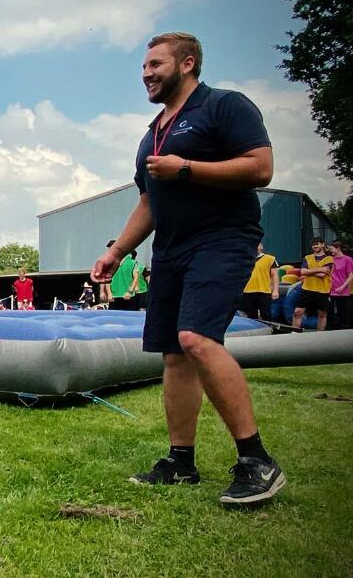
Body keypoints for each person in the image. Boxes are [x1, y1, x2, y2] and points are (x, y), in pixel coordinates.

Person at [91, 32, 284, 506]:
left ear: (188, 63)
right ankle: (181, 462)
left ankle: (257, 461)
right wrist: (118, 251)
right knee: (174, 353)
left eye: (155, 64)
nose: (146, 74)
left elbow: (260, 167)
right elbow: (148, 202)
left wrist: (187, 168)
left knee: (196, 338)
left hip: (221, 239)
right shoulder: (152, 133)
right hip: (170, 250)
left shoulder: (223, 106)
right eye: (143, 66)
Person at [291, 237, 334, 331]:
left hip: (322, 290)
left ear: (322, 245)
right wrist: (320, 269)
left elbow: (323, 275)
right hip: (307, 288)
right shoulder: (307, 258)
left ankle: (320, 334)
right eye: (313, 245)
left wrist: (309, 271)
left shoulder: (329, 259)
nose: (315, 246)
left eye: (317, 244)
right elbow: (303, 272)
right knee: (297, 312)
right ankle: (294, 333)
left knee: (322, 314)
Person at [240, 243, 279, 321]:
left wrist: (275, 290)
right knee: (250, 316)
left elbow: (275, 276)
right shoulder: (244, 259)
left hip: (264, 290)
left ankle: (269, 328)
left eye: (257, 245)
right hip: (247, 291)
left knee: (266, 314)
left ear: (261, 247)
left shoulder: (270, 259)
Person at [108, 241, 140, 311]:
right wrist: (109, 293)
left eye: (110, 250)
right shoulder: (109, 264)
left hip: (128, 296)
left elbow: (136, 278)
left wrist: (130, 291)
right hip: (114, 297)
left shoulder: (132, 263)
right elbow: (107, 279)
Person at [329, 241, 353, 329]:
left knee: (342, 313)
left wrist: (342, 287)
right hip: (330, 290)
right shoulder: (330, 259)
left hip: (343, 291)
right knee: (329, 312)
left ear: (338, 248)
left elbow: (351, 275)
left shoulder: (348, 259)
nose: (330, 251)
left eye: (332, 249)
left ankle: (341, 330)